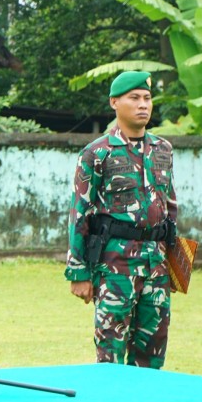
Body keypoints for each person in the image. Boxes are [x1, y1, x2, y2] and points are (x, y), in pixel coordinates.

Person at [65, 71, 177, 368]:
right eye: (134, 98)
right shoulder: (97, 153)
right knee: (110, 354)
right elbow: (80, 213)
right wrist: (79, 273)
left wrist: (177, 266)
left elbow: (170, 209)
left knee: (153, 355)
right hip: (116, 267)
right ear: (115, 102)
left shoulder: (163, 149)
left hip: (157, 267)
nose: (143, 105)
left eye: (147, 98)